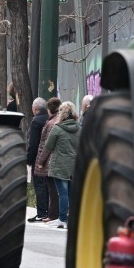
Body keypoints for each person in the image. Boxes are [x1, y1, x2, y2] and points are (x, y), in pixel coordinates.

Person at [45, 101, 81, 229]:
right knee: (71, 193)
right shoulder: (79, 128)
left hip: (59, 164)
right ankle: (71, 219)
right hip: (74, 165)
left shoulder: (57, 128)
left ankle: (62, 219)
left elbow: (49, 146)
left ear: (62, 113)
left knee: (63, 193)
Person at [33, 98, 63, 222]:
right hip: (66, 161)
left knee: (53, 190)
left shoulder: (51, 124)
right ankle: (63, 214)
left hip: (52, 162)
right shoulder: (69, 123)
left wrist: (40, 161)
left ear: (49, 109)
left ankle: (53, 215)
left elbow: (46, 145)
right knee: (64, 190)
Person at [26, 97, 50, 222]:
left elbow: (33, 144)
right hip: (50, 157)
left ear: (35, 108)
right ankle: (49, 211)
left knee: (39, 185)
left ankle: (41, 212)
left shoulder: (36, 121)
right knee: (48, 185)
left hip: (38, 158)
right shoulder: (50, 119)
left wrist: (29, 159)